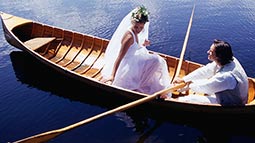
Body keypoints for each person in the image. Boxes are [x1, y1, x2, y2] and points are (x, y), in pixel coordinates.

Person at [99, 6, 172, 95]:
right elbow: (120, 57)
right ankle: (141, 84)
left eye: (141, 27)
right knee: (157, 60)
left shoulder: (135, 32)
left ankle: (144, 81)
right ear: (132, 23)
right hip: (128, 66)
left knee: (159, 60)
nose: (139, 30)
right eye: (136, 27)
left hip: (134, 60)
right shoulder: (129, 37)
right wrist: (112, 76)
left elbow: (133, 48)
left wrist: (142, 44)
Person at [173, 39, 248, 106]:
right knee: (194, 81)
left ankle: (173, 101)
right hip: (228, 91)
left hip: (232, 102)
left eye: (211, 52)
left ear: (218, 56)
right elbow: (206, 70)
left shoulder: (226, 77)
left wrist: (189, 85)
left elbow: (206, 88)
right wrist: (184, 80)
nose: (208, 52)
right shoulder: (229, 59)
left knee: (189, 99)